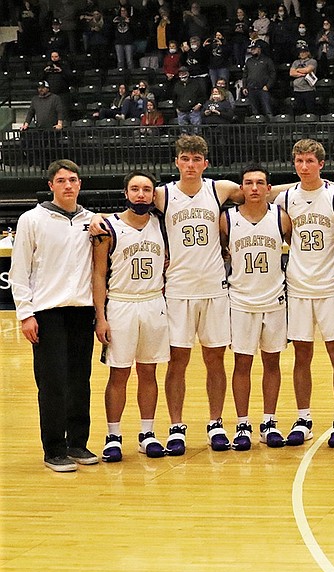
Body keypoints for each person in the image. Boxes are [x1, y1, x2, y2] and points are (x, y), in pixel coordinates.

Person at [94, 135, 243, 456]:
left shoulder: (219, 189)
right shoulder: (161, 194)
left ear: (206, 163)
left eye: (196, 159)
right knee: (178, 362)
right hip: (175, 293)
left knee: (215, 359)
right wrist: (93, 217)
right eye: (185, 159)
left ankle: (216, 423)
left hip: (215, 289)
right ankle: (176, 426)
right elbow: (129, 204)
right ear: (176, 162)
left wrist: (305, 187)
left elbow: (260, 192)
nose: (190, 165)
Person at [11, 160, 99, 472]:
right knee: (52, 383)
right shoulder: (32, 220)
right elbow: (19, 271)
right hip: (47, 313)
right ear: (51, 185)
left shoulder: (91, 221)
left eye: (73, 180)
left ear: (80, 184)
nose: (68, 185)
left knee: (80, 381)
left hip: (81, 312)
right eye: (61, 180)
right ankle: (54, 449)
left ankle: (78, 442)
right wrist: (25, 314)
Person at [268, 140, 334, 448]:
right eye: (299, 161)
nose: (304, 166)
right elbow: (259, 197)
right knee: (301, 356)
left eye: (309, 161)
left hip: (330, 288)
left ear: (322, 163)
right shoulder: (286, 197)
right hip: (298, 288)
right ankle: (303, 417)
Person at [92, 171, 169, 463]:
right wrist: (100, 317)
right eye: (134, 189)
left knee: (148, 372)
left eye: (146, 189)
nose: (140, 194)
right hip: (121, 303)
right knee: (119, 373)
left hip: (153, 301)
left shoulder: (162, 225)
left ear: (153, 195)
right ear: (126, 193)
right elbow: (98, 275)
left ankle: (147, 433)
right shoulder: (107, 227)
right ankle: (113, 436)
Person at [221, 164, 291, 450]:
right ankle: (242, 424)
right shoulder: (226, 219)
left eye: (259, 183)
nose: (253, 188)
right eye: (248, 183)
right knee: (243, 364)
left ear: (267, 188)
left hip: (274, 301)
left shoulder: (282, 218)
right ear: (241, 188)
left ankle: (270, 421)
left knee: (272, 363)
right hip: (240, 301)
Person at [243, 40, 277, 117]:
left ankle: (271, 127)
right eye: (251, 49)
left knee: (267, 110)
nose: (252, 50)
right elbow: (245, 74)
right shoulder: (249, 61)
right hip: (251, 89)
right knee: (254, 111)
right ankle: (256, 127)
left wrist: (268, 86)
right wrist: (244, 87)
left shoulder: (267, 60)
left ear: (259, 49)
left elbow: (273, 74)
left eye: (254, 49)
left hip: (263, 88)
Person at [173, 66, 206, 132]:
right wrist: (176, 108)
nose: (182, 75)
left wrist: (199, 104)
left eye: (184, 73)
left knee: (197, 131)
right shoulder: (177, 85)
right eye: (180, 73)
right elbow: (174, 98)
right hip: (181, 111)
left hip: (194, 111)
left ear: (188, 74)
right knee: (184, 132)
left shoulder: (196, 83)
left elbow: (202, 96)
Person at [290, 41, 318, 115]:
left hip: (308, 90)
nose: (302, 54)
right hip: (297, 90)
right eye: (301, 52)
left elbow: (308, 70)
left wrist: (297, 70)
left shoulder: (312, 61)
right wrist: (302, 74)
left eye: (304, 52)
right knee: (299, 111)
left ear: (308, 53)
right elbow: (291, 73)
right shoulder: (296, 62)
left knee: (310, 111)